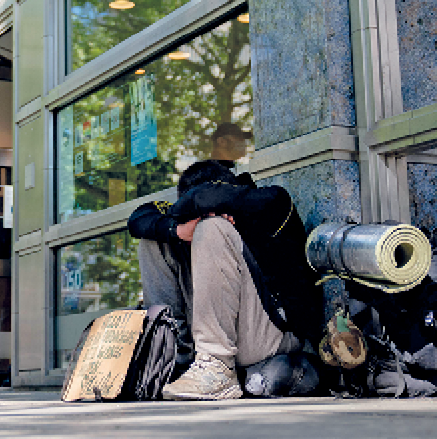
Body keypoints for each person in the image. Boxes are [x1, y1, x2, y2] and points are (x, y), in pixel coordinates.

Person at [127, 123, 322, 400]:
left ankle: (217, 368)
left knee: (213, 228)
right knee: (154, 239)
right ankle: (176, 358)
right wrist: (179, 229)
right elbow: (138, 218)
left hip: (271, 337)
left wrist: (212, 216)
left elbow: (208, 197)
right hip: (207, 337)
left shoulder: (272, 203)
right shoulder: (186, 217)